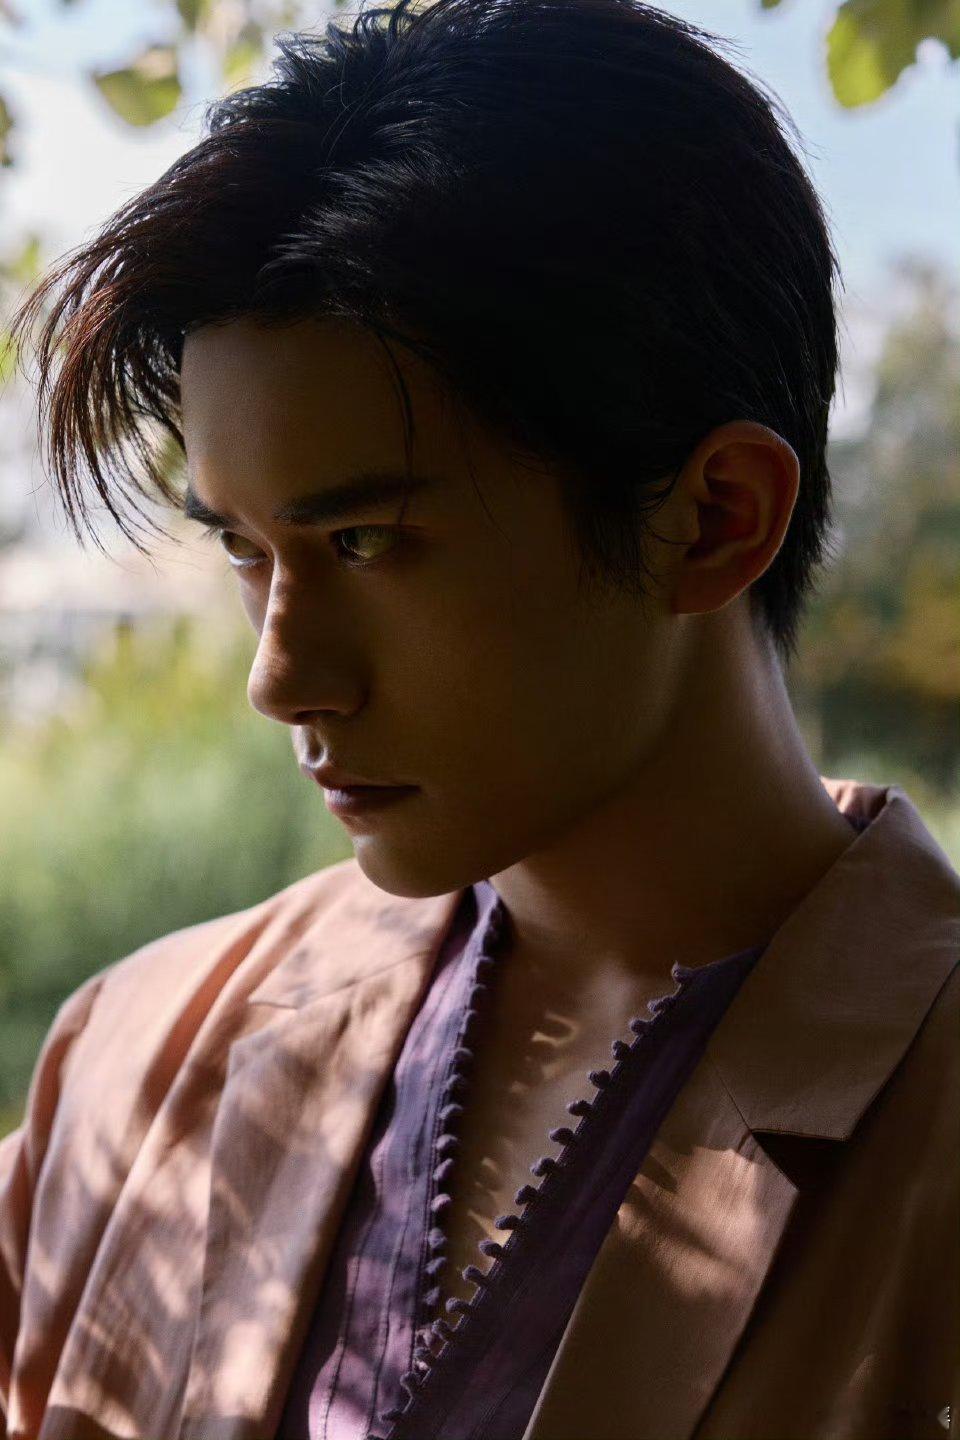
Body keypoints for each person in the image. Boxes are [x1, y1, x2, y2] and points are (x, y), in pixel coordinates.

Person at [2, 0, 957, 1436]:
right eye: (247, 551)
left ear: (715, 518)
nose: (279, 676)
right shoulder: (138, 1059)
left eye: (368, 543)